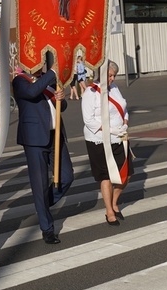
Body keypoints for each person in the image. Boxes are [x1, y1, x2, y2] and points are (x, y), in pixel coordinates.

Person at [13, 63, 75, 245]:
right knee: (40, 184)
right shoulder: (19, 81)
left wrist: (61, 98)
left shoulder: (45, 82)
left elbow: (60, 107)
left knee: (67, 176)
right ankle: (47, 228)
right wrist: (53, 72)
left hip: (55, 136)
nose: (40, 66)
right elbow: (32, 92)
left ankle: (42, 206)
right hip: (34, 140)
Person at [81, 60, 131, 225]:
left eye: (114, 75)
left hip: (119, 136)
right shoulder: (90, 92)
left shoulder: (115, 89)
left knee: (126, 175)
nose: (112, 78)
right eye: (109, 75)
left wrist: (125, 122)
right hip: (99, 140)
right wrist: (109, 130)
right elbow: (89, 120)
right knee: (106, 176)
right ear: (101, 74)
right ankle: (109, 210)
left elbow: (123, 107)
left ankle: (114, 202)